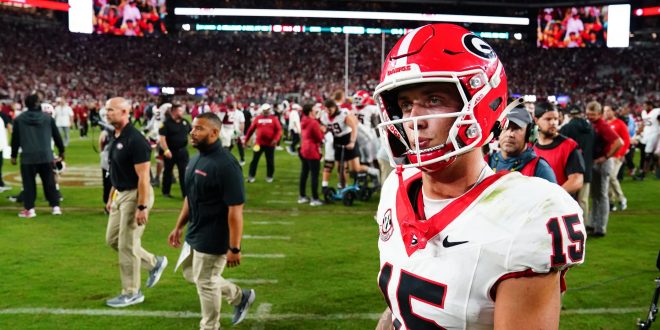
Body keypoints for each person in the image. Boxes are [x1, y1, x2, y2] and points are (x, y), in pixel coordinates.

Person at [372, 24, 585, 329]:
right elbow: (398, 310)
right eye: (406, 104)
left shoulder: (526, 214)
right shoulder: (395, 187)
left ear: (481, 103)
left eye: (433, 99)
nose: (413, 119)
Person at [167, 112, 255, 330]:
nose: (192, 132)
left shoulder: (226, 165)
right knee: (191, 274)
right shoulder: (195, 158)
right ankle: (239, 296)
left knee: (206, 282)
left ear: (214, 133)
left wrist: (234, 247)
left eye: (199, 129)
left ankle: (210, 327)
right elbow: (191, 196)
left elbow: (236, 210)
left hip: (214, 234)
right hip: (195, 231)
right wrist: (179, 226)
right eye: (193, 127)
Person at [104, 97, 168, 308]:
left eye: (111, 110)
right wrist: (112, 193)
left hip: (136, 194)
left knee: (127, 244)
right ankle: (153, 262)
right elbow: (116, 168)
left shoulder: (136, 139)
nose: (107, 113)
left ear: (125, 112)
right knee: (113, 239)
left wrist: (142, 206)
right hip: (120, 194)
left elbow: (143, 177)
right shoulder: (115, 136)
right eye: (107, 110)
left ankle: (132, 292)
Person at [10, 92, 64, 218]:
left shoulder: (19, 119)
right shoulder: (47, 118)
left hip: (28, 157)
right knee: (49, 183)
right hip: (46, 156)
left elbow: (15, 139)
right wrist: (61, 151)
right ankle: (55, 207)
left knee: (29, 184)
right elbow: (57, 136)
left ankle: (30, 209)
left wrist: (13, 155)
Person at [487, 106, 556, 182]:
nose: (510, 134)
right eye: (505, 127)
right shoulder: (486, 162)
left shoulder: (540, 168)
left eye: (516, 128)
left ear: (529, 134)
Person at [585, 101, 623, 238]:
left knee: (601, 196)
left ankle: (600, 227)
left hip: (603, 163)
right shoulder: (594, 124)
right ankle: (593, 223)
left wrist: (606, 157)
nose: (589, 116)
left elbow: (619, 142)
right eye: (588, 114)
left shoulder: (603, 125)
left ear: (600, 114)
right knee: (595, 196)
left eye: (593, 114)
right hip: (596, 162)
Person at [533, 101, 585, 196]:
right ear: (536, 120)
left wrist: (553, 197)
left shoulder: (569, 146)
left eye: (556, 119)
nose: (553, 123)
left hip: (561, 207)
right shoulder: (530, 147)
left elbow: (577, 180)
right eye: (548, 119)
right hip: (537, 207)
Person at [559, 104, 595, 224]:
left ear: (570, 115)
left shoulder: (566, 129)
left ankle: (571, 228)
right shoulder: (590, 128)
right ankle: (583, 227)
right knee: (583, 200)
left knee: (568, 200)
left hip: (571, 171)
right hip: (587, 167)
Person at [159, 103, 191, 198]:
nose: (182, 112)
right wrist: (166, 150)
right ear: (173, 111)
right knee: (168, 172)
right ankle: (166, 192)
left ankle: (185, 194)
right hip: (170, 151)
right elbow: (162, 138)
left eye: (182, 110)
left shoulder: (185, 122)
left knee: (184, 173)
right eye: (179, 110)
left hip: (182, 151)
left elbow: (192, 133)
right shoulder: (166, 124)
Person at [244, 103, 282, 183]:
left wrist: (276, 139)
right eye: (265, 110)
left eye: (267, 110)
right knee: (254, 160)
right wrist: (246, 140)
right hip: (258, 144)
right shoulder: (257, 118)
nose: (266, 112)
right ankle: (251, 176)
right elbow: (251, 130)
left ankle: (269, 176)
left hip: (270, 144)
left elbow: (279, 130)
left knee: (270, 161)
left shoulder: (274, 119)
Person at [604, 105, 630, 211]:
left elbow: (626, 140)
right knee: (608, 178)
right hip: (608, 155)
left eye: (608, 110)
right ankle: (611, 202)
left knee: (611, 177)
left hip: (617, 155)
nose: (606, 113)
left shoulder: (619, 123)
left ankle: (621, 199)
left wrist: (622, 154)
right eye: (605, 111)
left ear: (613, 112)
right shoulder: (605, 124)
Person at [298, 103, 325, 206]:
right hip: (312, 150)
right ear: (310, 111)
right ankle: (315, 198)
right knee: (314, 175)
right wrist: (322, 131)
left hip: (304, 148)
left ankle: (302, 196)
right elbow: (319, 138)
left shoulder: (303, 120)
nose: (315, 111)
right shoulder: (313, 122)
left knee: (304, 173)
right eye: (313, 109)